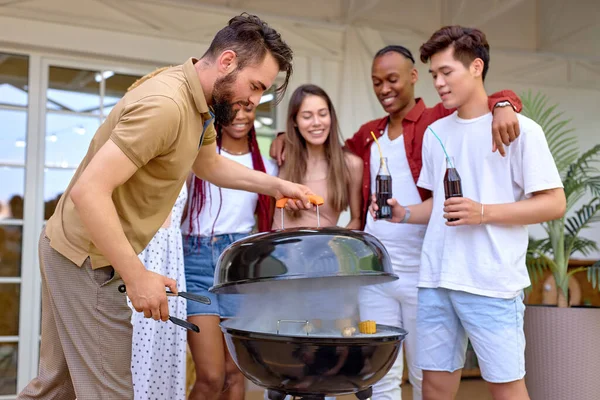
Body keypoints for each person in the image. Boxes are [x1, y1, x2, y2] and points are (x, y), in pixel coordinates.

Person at [18, 13, 315, 400]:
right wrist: (137, 276)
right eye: (256, 86)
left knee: (56, 388)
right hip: (84, 258)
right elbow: (88, 191)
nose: (254, 102)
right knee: (111, 393)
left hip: (69, 247)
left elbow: (208, 164)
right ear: (227, 62)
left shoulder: (201, 103)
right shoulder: (166, 105)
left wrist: (276, 185)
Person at [270, 46, 522, 400]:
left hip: (425, 272)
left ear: (413, 77)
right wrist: (285, 136)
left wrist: (504, 104)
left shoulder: (438, 117)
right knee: (379, 373)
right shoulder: (370, 134)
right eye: (377, 82)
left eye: (392, 80)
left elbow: (483, 98)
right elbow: (324, 146)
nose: (384, 89)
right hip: (378, 273)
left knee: (426, 375)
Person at [370, 26, 565, 400]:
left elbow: (555, 203)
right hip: (436, 280)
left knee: (506, 388)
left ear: (476, 67)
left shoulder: (521, 130)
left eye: (447, 72)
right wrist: (405, 214)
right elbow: (440, 205)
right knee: (434, 388)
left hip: (491, 283)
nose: (439, 83)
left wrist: (483, 212)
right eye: (434, 75)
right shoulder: (436, 132)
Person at [182, 104, 278, 400]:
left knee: (235, 374)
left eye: (248, 109)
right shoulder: (200, 156)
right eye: (233, 109)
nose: (240, 116)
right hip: (196, 259)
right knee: (211, 376)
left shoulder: (268, 166)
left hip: (239, 265)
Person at [272, 84, 363, 230]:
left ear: (331, 117)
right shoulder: (281, 157)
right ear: (294, 121)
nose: (316, 122)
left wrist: (336, 246)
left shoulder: (351, 164)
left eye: (322, 114)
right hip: (278, 251)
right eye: (307, 116)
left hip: (323, 251)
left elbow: (357, 220)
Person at [129, 184, 188, 400]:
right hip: (138, 256)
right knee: (132, 356)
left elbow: (213, 166)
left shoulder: (187, 154)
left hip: (171, 258)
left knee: (163, 361)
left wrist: (277, 186)